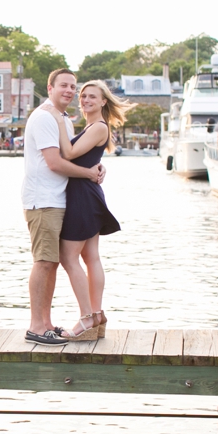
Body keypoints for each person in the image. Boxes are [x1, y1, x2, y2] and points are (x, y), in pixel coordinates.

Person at [42, 79, 132, 340]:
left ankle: (86, 319)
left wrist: (58, 118)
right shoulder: (94, 127)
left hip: (82, 197)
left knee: (69, 258)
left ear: (104, 101)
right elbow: (84, 156)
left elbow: (68, 154)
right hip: (87, 194)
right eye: (83, 96)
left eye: (92, 96)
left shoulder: (98, 127)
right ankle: (97, 314)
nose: (85, 100)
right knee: (90, 257)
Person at [22, 69, 105, 345]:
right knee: (44, 261)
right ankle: (36, 326)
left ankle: (46, 323)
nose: (70, 91)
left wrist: (95, 167)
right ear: (50, 87)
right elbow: (56, 163)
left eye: (73, 86)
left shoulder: (64, 120)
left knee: (53, 262)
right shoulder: (46, 117)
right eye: (64, 86)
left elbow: (76, 156)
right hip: (43, 200)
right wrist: (91, 174)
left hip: (59, 199)